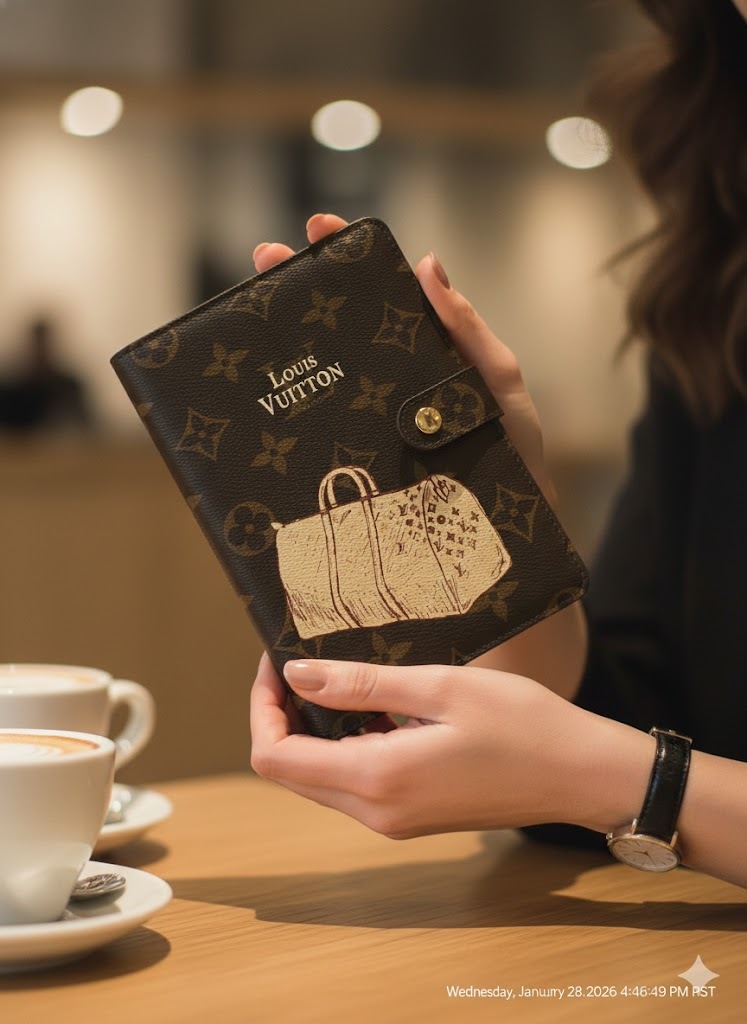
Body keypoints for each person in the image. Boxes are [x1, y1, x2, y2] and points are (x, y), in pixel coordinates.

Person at [249, 0, 747, 889]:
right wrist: (513, 510)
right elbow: (636, 720)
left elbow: (621, 773)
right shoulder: (716, 304)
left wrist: (629, 784)